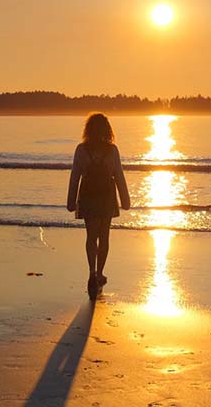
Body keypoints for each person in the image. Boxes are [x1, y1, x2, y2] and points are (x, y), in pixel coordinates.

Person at [66, 112, 131, 295]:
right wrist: (125, 200)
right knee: (104, 237)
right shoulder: (112, 150)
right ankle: (100, 273)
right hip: (106, 197)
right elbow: (119, 175)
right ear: (107, 130)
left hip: (87, 195)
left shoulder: (81, 150)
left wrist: (71, 202)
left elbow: (75, 177)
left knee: (90, 236)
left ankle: (92, 273)